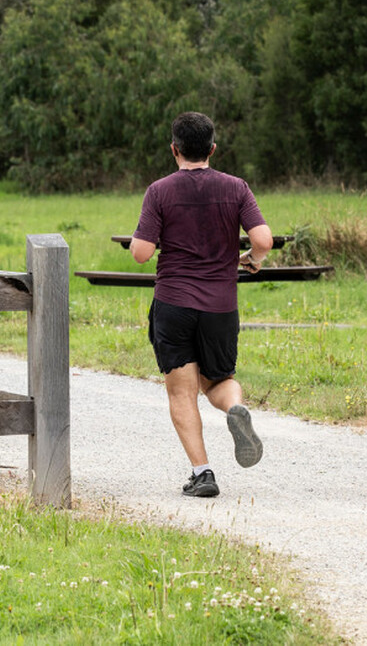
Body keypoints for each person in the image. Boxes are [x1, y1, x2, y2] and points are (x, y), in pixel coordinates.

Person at [131, 111, 273, 498]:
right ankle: (235, 408)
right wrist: (252, 260)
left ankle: (203, 473)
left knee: (182, 392)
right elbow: (263, 240)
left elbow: (141, 253)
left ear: (173, 149)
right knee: (218, 381)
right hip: (220, 306)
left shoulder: (159, 191)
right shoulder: (236, 188)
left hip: (174, 303)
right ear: (212, 148)